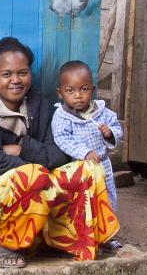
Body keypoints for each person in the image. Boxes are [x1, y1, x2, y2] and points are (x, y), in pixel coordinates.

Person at [0, 37, 120, 268]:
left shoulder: (39, 105)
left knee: (87, 167)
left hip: (38, 189)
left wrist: (21, 147)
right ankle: (10, 245)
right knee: (31, 174)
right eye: (7, 74)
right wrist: (38, 165)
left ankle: (70, 241)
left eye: (22, 73)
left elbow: (59, 155)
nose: (16, 81)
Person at [50, 60, 124, 253]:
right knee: (84, 204)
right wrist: (84, 153)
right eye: (70, 91)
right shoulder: (62, 116)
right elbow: (62, 139)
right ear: (60, 93)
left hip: (104, 166)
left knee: (107, 200)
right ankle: (88, 238)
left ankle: (108, 236)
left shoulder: (101, 111)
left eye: (83, 89)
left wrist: (109, 133)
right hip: (80, 170)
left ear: (92, 89)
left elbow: (117, 128)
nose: (78, 96)